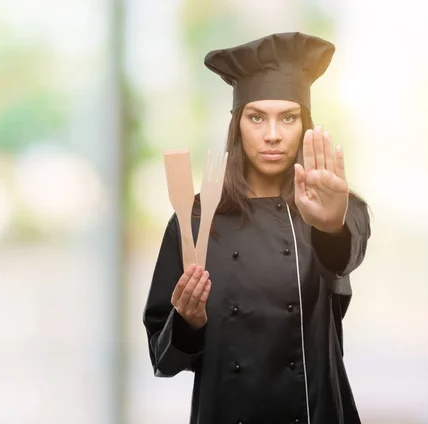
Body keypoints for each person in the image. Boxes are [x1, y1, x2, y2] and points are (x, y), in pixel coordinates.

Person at [142, 32, 371, 424]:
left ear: (305, 125)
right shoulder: (195, 219)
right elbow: (162, 360)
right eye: (256, 117)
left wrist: (332, 224)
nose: (272, 134)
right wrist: (188, 323)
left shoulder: (334, 208)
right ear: (237, 124)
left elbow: (342, 257)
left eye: (288, 117)